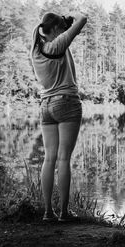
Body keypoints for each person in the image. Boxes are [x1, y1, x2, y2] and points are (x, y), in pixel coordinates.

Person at [31, 12, 87, 222]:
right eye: (61, 29)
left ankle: (48, 212)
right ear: (55, 30)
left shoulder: (36, 49)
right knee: (63, 159)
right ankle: (63, 213)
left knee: (49, 158)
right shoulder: (57, 45)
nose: (64, 31)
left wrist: (62, 24)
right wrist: (70, 18)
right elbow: (83, 19)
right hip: (66, 103)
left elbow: (53, 34)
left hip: (45, 106)